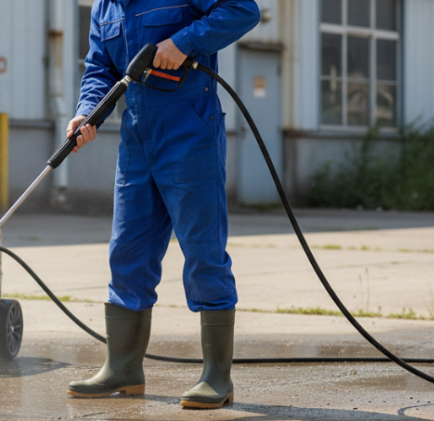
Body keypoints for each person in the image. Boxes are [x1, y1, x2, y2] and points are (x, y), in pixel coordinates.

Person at [64, 0, 260, 409]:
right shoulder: (105, 9)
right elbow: (101, 69)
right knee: (127, 252)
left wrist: (185, 41)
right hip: (137, 140)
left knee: (203, 252)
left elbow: (243, 10)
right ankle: (123, 367)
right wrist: (88, 114)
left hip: (190, 133)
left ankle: (216, 377)